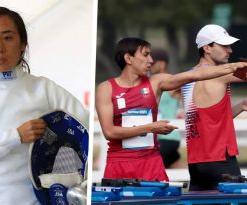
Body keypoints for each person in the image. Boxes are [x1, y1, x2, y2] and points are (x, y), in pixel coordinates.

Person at [0, 7, 88, 205]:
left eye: (8, 38)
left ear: (22, 45)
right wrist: (15, 136)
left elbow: (86, 126)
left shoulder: (43, 88)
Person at [95, 37, 247, 181]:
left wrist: (232, 67)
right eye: (146, 55)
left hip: (151, 163)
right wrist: (150, 128)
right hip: (118, 163)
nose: (151, 60)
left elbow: (197, 74)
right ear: (129, 58)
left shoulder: (156, 82)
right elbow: (109, 132)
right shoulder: (106, 89)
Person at [182, 24, 247, 191]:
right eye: (224, 46)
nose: (230, 50)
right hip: (220, 160)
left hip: (196, 164)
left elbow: (210, 118)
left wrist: (241, 106)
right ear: (207, 48)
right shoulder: (220, 74)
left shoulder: (187, 78)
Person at [150, 49, 185, 169]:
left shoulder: (172, 84)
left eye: (153, 63)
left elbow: (192, 89)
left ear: (162, 64)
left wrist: (187, 111)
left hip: (168, 137)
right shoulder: (150, 82)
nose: (150, 65)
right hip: (155, 136)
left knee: (150, 169)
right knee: (179, 169)